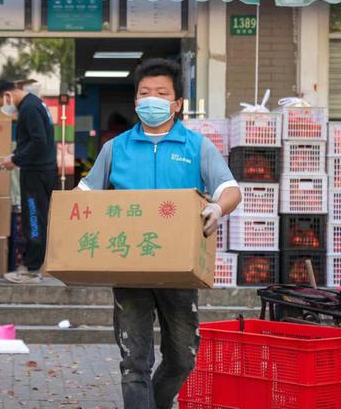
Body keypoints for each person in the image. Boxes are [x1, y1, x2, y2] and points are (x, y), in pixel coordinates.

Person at [76, 58, 242, 409]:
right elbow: (85, 195)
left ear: (177, 103)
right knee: (134, 363)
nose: (152, 99)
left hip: (179, 270)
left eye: (161, 93)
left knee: (183, 358)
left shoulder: (196, 147)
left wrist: (217, 207)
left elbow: (230, 188)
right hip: (128, 267)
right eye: (144, 93)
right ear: (136, 101)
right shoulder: (115, 148)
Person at [0, 80, 58, 284]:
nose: (3, 108)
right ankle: (30, 267)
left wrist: (16, 159)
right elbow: (33, 141)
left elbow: (38, 142)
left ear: (7, 95)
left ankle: (31, 270)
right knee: (35, 217)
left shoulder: (29, 108)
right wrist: (15, 156)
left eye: (0, 103)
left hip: (36, 173)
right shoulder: (34, 105)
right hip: (39, 170)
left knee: (34, 220)